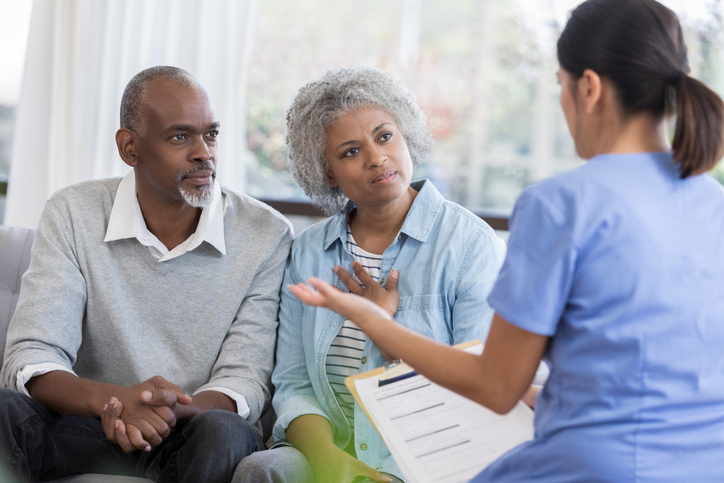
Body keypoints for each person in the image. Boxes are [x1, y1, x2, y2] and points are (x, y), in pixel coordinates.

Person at [288, 1, 724, 481]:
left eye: (560, 85)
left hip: (596, 466)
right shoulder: (714, 203)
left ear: (589, 88)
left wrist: (377, 323)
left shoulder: (559, 205)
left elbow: (495, 385)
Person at [0, 66, 293, 482]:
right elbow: (34, 355)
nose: (204, 153)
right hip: (87, 424)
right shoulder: (72, 211)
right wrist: (116, 401)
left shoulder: (266, 233)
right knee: (4, 409)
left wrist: (168, 408)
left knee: (226, 432)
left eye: (210, 134)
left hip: (193, 430)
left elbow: (244, 379)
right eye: (180, 136)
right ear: (129, 148)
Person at [233, 66, 514, 483]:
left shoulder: (472, 245)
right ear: (327, 171)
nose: (376, 157)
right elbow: (294, 383)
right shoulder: (309, 251)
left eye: (384, 136)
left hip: (425, 457)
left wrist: (384, 332)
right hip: (328, 452)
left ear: (406, 135)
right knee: (262, 470)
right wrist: (330, 459)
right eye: (350, 151)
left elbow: (477, 391)